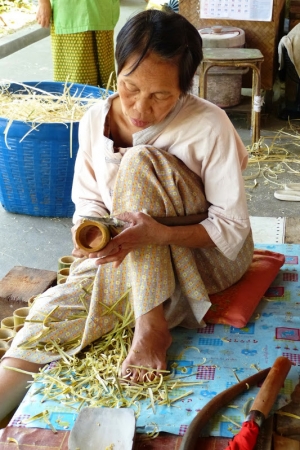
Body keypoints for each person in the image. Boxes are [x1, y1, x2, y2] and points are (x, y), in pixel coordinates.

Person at [0, 9, 254, 421]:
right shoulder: (93, 119)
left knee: (140, 162)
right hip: (133, 253)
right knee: (56, 310)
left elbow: (232, 227)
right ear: (116, 71)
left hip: (207, 259)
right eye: (129, 87)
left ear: (185, 89)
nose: (139, 108)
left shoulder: (209, 124)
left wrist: (158, 234)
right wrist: (90, 231)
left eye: (160, 96)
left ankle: (151, 324)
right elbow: (89, 201)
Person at [36, 0, 119, 88]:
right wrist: (43, 3)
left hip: (102, 10)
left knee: (106, 77)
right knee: (76, 82)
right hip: (70, 12)